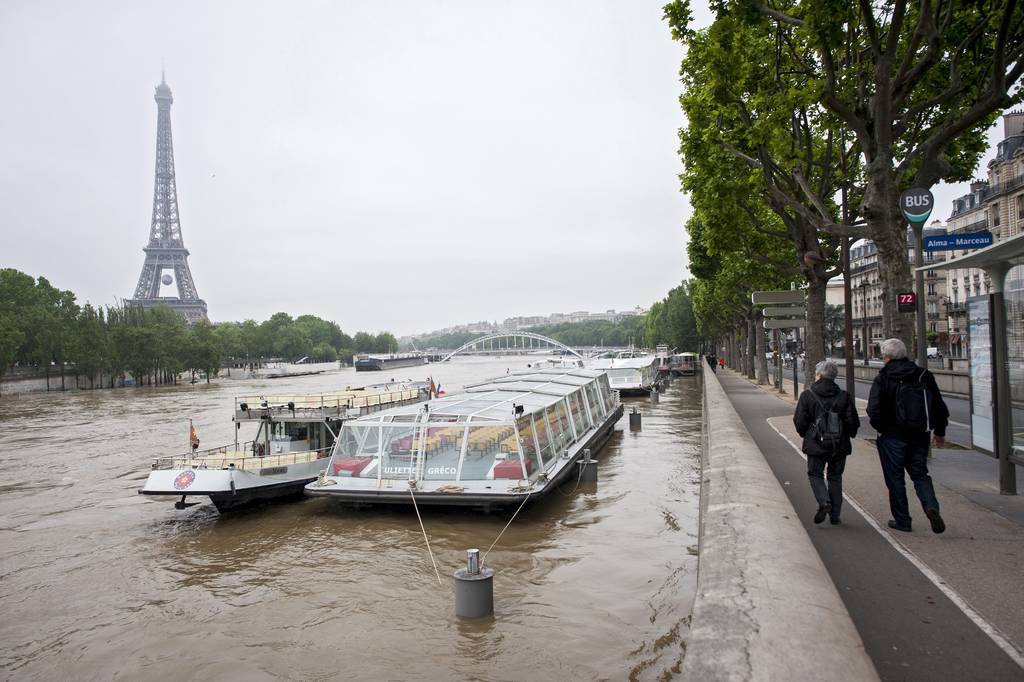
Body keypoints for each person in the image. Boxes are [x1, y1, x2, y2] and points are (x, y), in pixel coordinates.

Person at [867, 338, 950, 534]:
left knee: (895, 478)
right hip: (919, 435)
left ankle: (903, 520)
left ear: (886, 357)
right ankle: (931, 507)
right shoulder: (923, 375)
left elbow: (874, 409)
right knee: (920, 474)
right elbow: (938, 405)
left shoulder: (884, 377)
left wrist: (882, 428)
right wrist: (939, 432)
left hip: (892, 436)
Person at [793, 360, 859, 525]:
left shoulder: (808, 395)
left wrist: (805, 434)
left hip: (816, 444)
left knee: (815, 474)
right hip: (839, 444)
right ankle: (835, 515)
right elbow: (853, 422)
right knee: (835, 477)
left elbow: (800, 421)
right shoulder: (844, 396)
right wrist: (849, 434)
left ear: (819, 375)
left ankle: (824, 502)